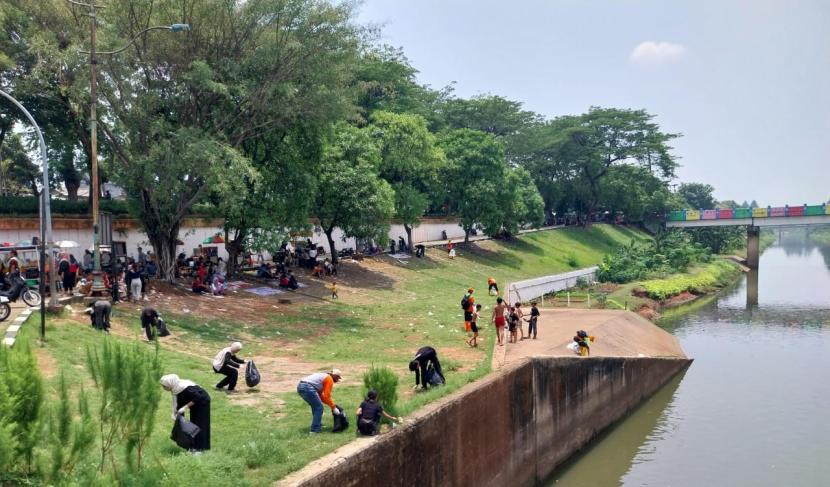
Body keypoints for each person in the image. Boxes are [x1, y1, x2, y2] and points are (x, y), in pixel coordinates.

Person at [160, 374, 211, 452]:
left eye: (165, 386)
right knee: (193, 425)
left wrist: (185, 407)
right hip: (195, 404)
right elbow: (178, 402)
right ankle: (193, 446)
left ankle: (199, 449)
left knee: (200, 425)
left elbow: (199, 397)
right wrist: (174, 413)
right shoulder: (176, 388)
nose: (163, 388)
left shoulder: (186, 388)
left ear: (170, 383)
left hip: (202, 402)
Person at [296, 369, 342, 433]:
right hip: (308, 387)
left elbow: (321, 397)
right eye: (337, 378)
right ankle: (314, 430)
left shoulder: (323, 377)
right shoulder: (329, 379)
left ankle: (317, 425)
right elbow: (327, 396)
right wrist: (333, 408)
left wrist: (332, 405)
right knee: (319, 408)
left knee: (316, 406)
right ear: (334, 376)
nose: (337, 380)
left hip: (301, 386)